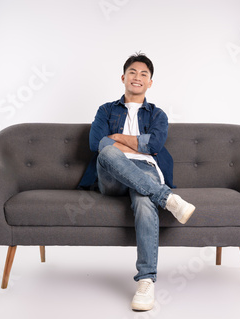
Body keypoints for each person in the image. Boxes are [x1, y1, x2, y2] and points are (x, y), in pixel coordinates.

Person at [78, 52, 195, 311]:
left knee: (144, 200)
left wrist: (117, 136)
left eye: (144, 74)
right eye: (133, 72)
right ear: (123, 77)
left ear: (150, 82)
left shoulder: (157, 115)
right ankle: (167, 198)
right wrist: (131, 143)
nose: (137, 77)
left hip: (146, 169)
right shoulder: (106, 109)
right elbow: (97, 144)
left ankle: (145, 281)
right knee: (108, 152)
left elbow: (154, 145)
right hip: (111, 173)